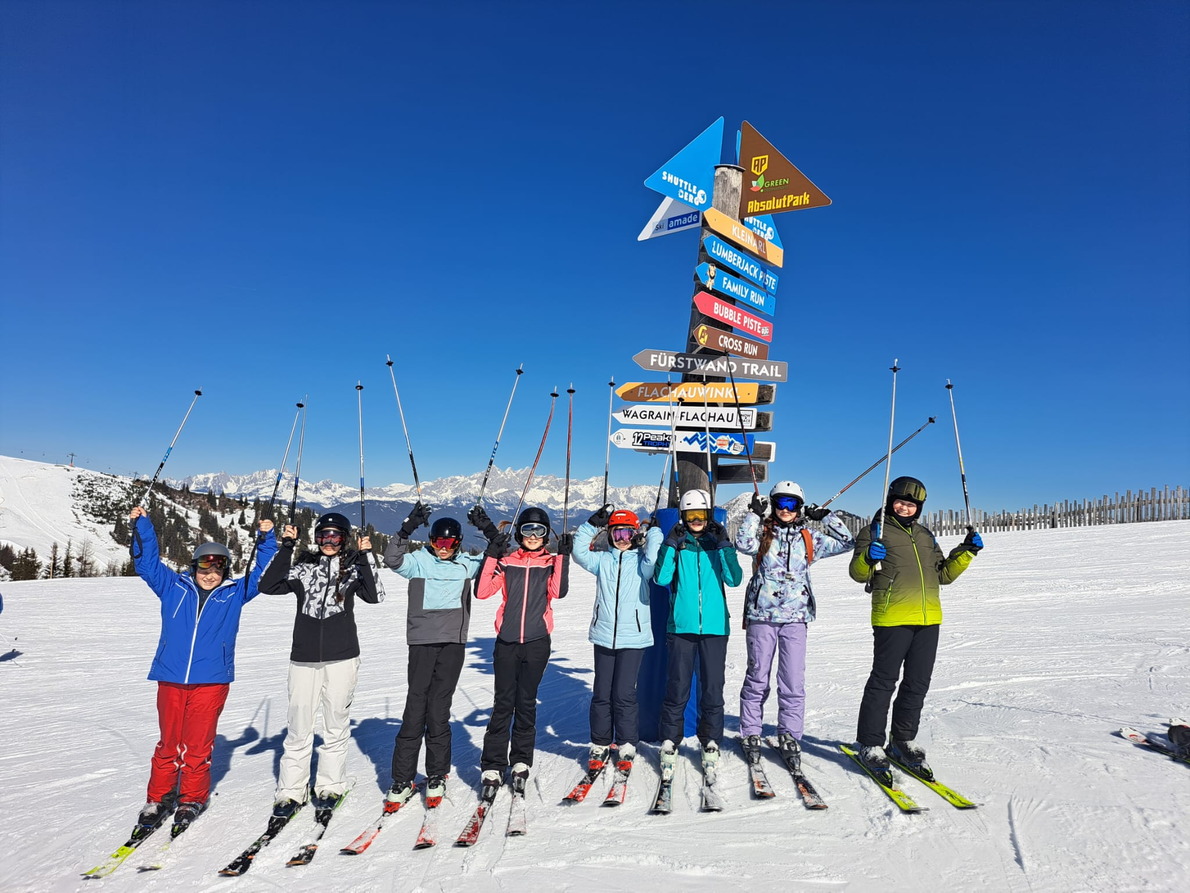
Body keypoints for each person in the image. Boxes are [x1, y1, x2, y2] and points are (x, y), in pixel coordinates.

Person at [127, 505, 277, 832]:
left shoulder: (235, 593)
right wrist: (142, 525)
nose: (210, 574)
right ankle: (158, 798)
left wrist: (266, 539)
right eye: (205, 566)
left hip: (211, 680)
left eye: (218, 567)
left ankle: (191, 798)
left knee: (197, 745)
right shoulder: (172, 587)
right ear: (194, 566)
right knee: (168, 743)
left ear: (225, 570)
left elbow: (264, 573)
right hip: (171, 677)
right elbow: (146, 563)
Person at [848, 476, 982, 778]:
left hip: (928, 618)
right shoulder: (875, 531)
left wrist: (966, 552)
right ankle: (870, 743)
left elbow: (943, 575)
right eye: (900, 502)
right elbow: (858, 573)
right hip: (892, 617)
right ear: (890, 501)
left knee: (917, 683)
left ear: (919, 508)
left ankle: (903, 740)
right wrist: (868, 557)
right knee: (883, 681)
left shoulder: (925, 535)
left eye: (911, 504)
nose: (905, 508)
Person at [258, 512, 384, 816]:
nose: (328, 541)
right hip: (303, 658)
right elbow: (268, 585)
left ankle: (330, 785)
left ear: (345, 539)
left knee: (335, 723)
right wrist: (287, 546)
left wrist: (365, 555)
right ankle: (291, 791)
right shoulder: (304, 569)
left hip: (343, 657)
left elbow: (375, 595)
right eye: (322, 536)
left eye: (335, 536)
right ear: (315, 538)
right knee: (299, 724)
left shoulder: (352, 569)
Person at [379, 502, 497, 810]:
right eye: (437, 542)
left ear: (458, 543)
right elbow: (391, 559)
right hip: (422, 642)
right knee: (415, 708)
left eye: (449, 543)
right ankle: (402, 779)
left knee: (438, 710)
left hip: (452, 644)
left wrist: (487, 528)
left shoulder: (467, 564)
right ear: (430, 541)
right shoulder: (419, 561)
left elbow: (497, 557)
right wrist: (407, 527)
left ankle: (436, 775)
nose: (443, 548)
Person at [734, 481, 855, 770]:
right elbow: (742, 543)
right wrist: (754, 514)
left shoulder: (809, 538)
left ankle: (789, 733)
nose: (785, 509)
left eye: (792, 504)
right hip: (762, 616)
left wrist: (826, 517)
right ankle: (751, 732)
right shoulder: (763, 533)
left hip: (796, 618)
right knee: (757, 677)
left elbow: (847, 541)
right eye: (780, 503)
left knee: (792, 681)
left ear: (799, 507)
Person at [476, 505, 570, 789]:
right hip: (507, 643)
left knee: (526, 703)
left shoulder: (549, 562)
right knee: (503, 703)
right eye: (528, 529)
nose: (533, 536)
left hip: (537, 643)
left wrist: (563, 557)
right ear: (519, 533)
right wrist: (492, 555)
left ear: (546, 535)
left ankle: (520, 760)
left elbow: (558, 592)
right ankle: (493, 764)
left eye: (539, 531)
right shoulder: (507, 562)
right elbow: (482, 592)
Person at [653, 488, 742, 775]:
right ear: (682, 517)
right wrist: (669, 543)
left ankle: (710, 741)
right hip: (681, 627)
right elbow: (661, 578)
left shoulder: (716, 544)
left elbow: (734, 578)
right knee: (677, 687)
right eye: (690, 516)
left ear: (708, 516)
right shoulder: (679, 545)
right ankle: (670, 740)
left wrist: (724, 544)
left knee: (713, 688)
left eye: (701, 515)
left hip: (715, 628)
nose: (696, 521)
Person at [570, 505, 663, 771]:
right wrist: (591, 525)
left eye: (628, 534)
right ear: (610, 535)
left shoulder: (642, 564)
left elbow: (654, 557)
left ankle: (627, 743)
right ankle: (600, 742)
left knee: (624, 693)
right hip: (604, 635)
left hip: (633, 637)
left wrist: (653, 531)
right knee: (602, 693)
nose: (622, 539)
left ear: (635, 536)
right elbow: (578, 552)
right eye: (617, 534)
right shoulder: (602, 561)